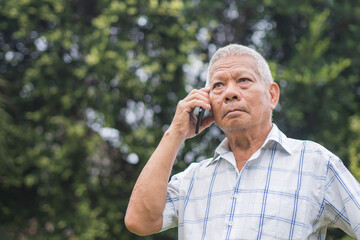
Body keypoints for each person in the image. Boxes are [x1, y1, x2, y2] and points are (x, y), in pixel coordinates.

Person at [125, 44, 360, 239]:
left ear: (272, 95)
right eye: (218, 85)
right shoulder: (193, 178)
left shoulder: (315, 163)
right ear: (209, 103)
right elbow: (139, 221)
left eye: (244, 80)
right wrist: (175, 134)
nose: (230, 92)